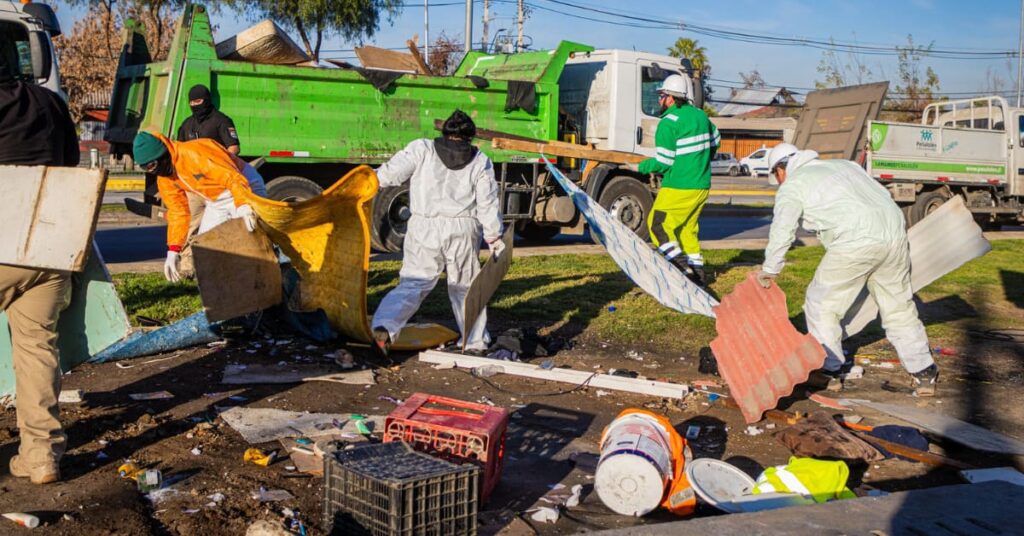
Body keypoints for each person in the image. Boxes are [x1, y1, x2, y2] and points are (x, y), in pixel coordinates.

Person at [756, 143, 938, 396]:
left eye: (776, 176)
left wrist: (770, 269)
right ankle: (924, 371)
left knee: (821, 303)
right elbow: (881, 196)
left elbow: (782, 229)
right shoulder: (846, 166)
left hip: (855, 240)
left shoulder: (793, 185)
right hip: (894, 234)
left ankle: (829, 370)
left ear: (780, 169)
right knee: (898, 306)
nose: (778, 181)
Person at [0, 54, 78, 484]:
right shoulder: (50, 102)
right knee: (36, 348)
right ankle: (41, 455)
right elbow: (69, 167)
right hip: (46, 248)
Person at [370, 110, 503, 354]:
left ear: (445, 132)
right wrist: (494, 236)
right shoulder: (480, 160)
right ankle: (474, 342)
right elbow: (488, 202)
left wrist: (369, 180)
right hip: (462, 228)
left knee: (413, 283)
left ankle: (384, 328)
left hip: (424, 226)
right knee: (465, 287)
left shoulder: (422, 149)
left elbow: (390, 174)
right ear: (470, 136)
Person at [132, 131, 258, 283]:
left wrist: (244, 204)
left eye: (152, 165)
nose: (152, 171)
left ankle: (273, 274)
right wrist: (173, 249)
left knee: (254, 238)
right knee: (204, 249)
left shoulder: (194, 154)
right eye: (145, 168)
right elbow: (178, 212)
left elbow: (232, 178)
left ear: (162, 154)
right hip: (216, 201)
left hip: (245, 185)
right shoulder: (165, 179)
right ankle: (223, 290)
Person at [637, 74, 719, 286]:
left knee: (657, 225)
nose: (659, 100)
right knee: (686, 230)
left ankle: (682, 268)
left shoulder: (668, 123)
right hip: (701, 185)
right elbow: (716, 140)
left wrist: (640, 166)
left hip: (679, 185)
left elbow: (664, 162)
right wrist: (700, 161)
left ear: (671, 98)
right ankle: (698, 275)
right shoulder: (701, 116)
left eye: (661, 96)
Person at [177, 84, 241, 155]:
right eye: (191, 102)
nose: (194, 105)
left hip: (216, 161)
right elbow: (179, 150)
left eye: (197, 101)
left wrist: (219, 160)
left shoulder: (222, 121)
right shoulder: (186, 124)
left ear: (207, 100)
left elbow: (234, 148)